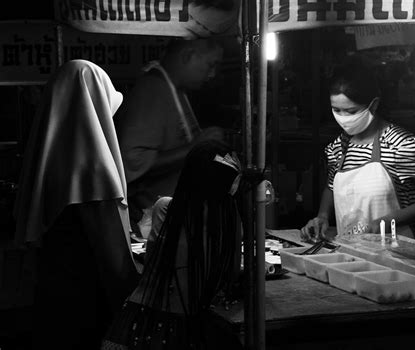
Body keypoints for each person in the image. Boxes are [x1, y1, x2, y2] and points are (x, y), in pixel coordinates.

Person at [13, 59, 139, 350]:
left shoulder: (51, 159)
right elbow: (115, 267)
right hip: (85, 312)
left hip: (53, 304)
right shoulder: (93, 169)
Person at [101, 140, 243, 350]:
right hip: (187, 323)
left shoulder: (166, 208)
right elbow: (230, 274)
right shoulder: (230, 219)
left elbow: (152, 262)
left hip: (143, 321)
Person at [302, 55, 415, 241]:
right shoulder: (337, 147)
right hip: (352, 251)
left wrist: (388, 220)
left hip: (400, 250)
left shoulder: (402, 145)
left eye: (351, 111)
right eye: (337, 110)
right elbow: (331, 187)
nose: (343, 117)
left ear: (373, 105)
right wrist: (322, 216)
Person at [114, 38, 226, 238]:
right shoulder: (151, 90)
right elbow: (132, 162)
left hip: (178, 219)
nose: (212, 74)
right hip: (155, 224)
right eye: (211, 64)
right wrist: (197, 147)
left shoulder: (175, 89)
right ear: (188, 56)